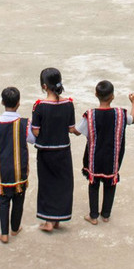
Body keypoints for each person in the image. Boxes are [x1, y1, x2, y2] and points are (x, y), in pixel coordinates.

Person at [78, 80, 134, 226]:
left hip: (94, 157)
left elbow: (78, 131)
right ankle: (106, 214)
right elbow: (132, 120)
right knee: (110, 184)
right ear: (112, 96)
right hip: (113, 158)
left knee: (94, 184)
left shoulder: (90, 114)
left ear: (96, 94)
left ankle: (93, 215)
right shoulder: (121, 113)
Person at [31, 67, 79, 232]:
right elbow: (71, 128)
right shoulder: (68, 104)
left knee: (47, 184)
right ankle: (58, 217)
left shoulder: (40, 106)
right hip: (63, 150)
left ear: (44, 86)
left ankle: (49, 221)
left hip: (45, 151)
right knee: (63, 184)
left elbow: (35, 131)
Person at [0, 86, 34, 244]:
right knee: (19, 199)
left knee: (3, 200)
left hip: (1, 169)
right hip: (20, 169)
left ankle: (4, 233)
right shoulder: (24, 123)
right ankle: (15, 228)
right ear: (18, 103)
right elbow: (32, 140)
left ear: (2, 102)